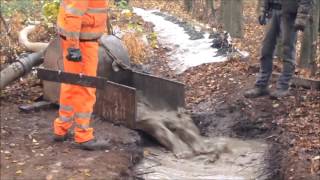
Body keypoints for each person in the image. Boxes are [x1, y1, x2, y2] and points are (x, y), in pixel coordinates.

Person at [53, 0, 110, 150]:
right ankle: (83, 136)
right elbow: (73, 14)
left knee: (70, 83)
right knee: (86, 86)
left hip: (80, 39)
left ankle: (61, 129)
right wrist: (74, 47)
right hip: (82, 42)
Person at [244, 0, 313, 99]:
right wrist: (263, 10)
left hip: (289, 14)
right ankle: (261, 85)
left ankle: (283, 87)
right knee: (266, 49)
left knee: (288, 49)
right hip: (272, 12)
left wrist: (301, 17)